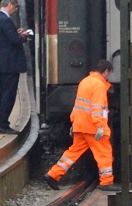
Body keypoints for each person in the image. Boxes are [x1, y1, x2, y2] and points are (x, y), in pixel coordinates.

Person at [45, 59, 115, 190]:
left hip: (80, 125)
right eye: (108, 74)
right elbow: (97, 107)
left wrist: (73, 121)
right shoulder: (99, 85)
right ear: (106, 71)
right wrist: (99, 125)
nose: (108, 77)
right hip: (93, 128)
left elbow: (78, 104)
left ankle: (53, 174)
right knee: (104, 152)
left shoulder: (84, 82)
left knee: (72, 153)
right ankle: (107, 182)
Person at [0, 0, 30, 134]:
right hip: (9, 65)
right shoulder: (5, 21)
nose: (15, 10)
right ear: (10, 4)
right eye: (16, 7)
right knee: (8, 94)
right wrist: (24, 35)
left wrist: (15, 32)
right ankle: (4, 124)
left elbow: (3, 38)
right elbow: (15, 41)